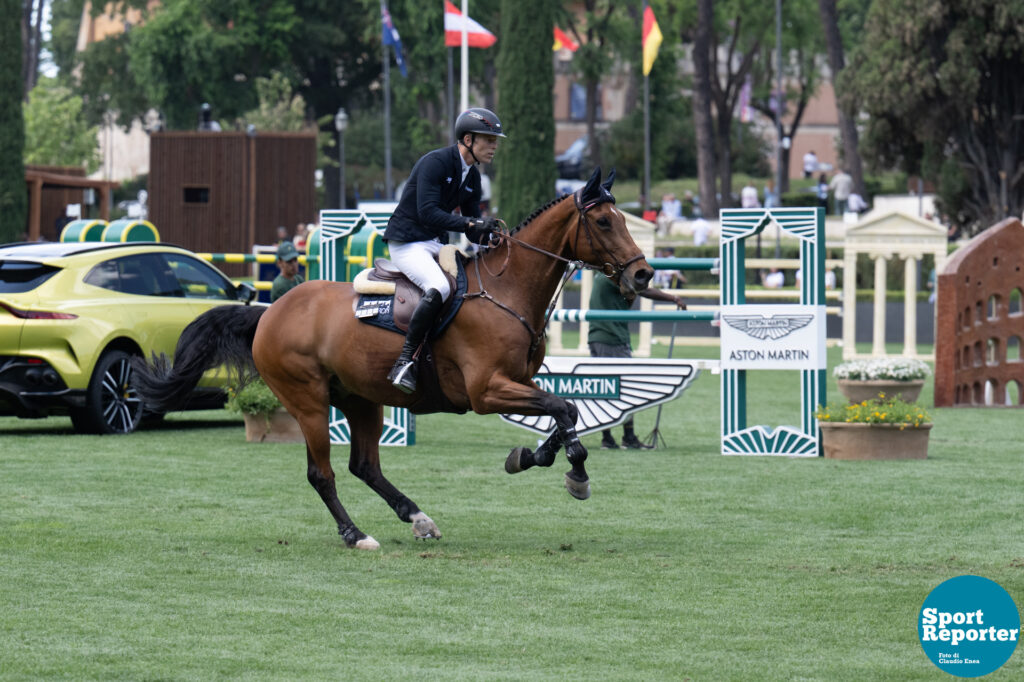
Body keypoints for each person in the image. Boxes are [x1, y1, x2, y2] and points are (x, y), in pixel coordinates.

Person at [382, 107, 505, 393]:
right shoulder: (435, 163)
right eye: (488, 139)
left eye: (495, 139)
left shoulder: (472, 177)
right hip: (407, 243)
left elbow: (473, 230)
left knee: (469, 285)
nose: (495, 145)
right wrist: (472, 222)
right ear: (468, 139)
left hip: (434, 244)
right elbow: (427, 213)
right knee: (440, 286)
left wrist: (491, 239)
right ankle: (404, 361)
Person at [588, 274, 686, 450]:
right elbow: (644, 290)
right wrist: (673, 298)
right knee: (623, 387)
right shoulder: (613, 277)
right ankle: (627, 437)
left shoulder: (604, 277)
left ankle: (609, 437)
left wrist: (632, 296)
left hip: (603, 336)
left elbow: (628, 301)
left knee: (606, 388)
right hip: (612, 338)